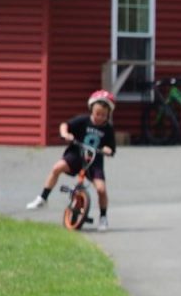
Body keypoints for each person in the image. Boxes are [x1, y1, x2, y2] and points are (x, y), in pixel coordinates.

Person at [27, 90, 117, 231]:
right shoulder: (83, 121)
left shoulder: (108, 129)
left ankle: (103, 217)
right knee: (57, 168)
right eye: (97, 113)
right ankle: (43, 198)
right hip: (76, 154)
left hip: (94, 160)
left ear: (108, 115)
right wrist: (65, 134)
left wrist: (107, 150)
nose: (100, 117)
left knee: (101, 189)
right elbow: (65, 125)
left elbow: (111, 148)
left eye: (104, 115)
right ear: (91, 110)